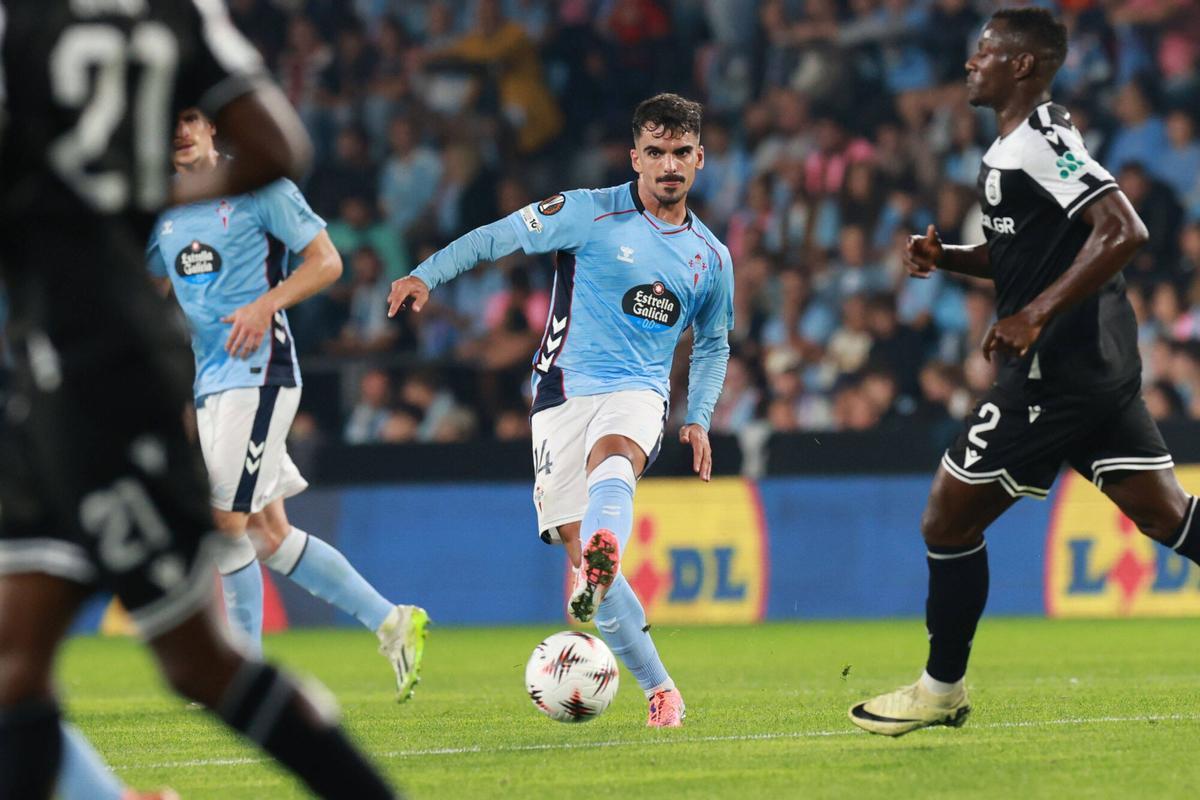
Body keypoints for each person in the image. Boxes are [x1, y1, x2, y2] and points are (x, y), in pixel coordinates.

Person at [0, 2, 397, 798]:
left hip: (108, 374)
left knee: (198, 656)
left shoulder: (24, 24)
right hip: (63, 372)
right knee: (18, 660)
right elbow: (279, 140)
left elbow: (284, 172)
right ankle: (384, 620)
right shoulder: (182, 15)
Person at [850, 8, 1200, 737]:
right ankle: (941, 689)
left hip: (1056, 375)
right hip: (1093, 367)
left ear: (1022, 66)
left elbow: (1124, 228)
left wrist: (1034, 314)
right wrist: (948, 257)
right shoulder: (1017, 144)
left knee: (947, 517)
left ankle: (941, 690)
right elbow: (1027, 254)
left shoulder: (1042, 141)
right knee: (1167, 514)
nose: (970, 62)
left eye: (985, 52)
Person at [387, 93, 734, 729]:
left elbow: (713, 343)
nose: (669, 165)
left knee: (616, 456)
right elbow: (498, 236)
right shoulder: (586, 212)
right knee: (583, 561)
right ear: (635, 157)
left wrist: (699, 416)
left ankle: (605, 553)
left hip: (638, 391)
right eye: (656, 152)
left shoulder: (711, 258)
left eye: (681, 152)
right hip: (560, 394)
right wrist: (425, 275)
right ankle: (661, 686)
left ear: (700, 158)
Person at [147, 106, 428, 697]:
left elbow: (326, 261)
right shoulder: (162, 206)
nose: (180, 130)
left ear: (212, 125)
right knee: (269, 536)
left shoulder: (259, 187)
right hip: (209, 383)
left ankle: (241, 677)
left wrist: (264, 304)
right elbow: (144, 287)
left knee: (225, 523)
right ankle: (391, 621)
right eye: (171, 118)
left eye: (191, 117)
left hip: (260, 372)